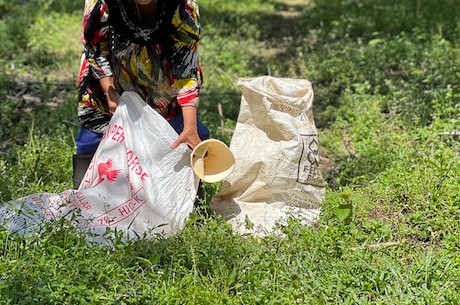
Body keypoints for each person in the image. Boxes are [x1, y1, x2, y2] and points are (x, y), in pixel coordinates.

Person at [72, 0, 210, 189]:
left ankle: (180, 193)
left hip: (163, 82)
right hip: (110, 75)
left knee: (183, 137)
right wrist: (109, 93)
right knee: (96, 138)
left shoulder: (182, 5)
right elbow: (95, 49)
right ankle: (88, 195)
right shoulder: (100, 3)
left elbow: (186, 68)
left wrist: (190, 127)